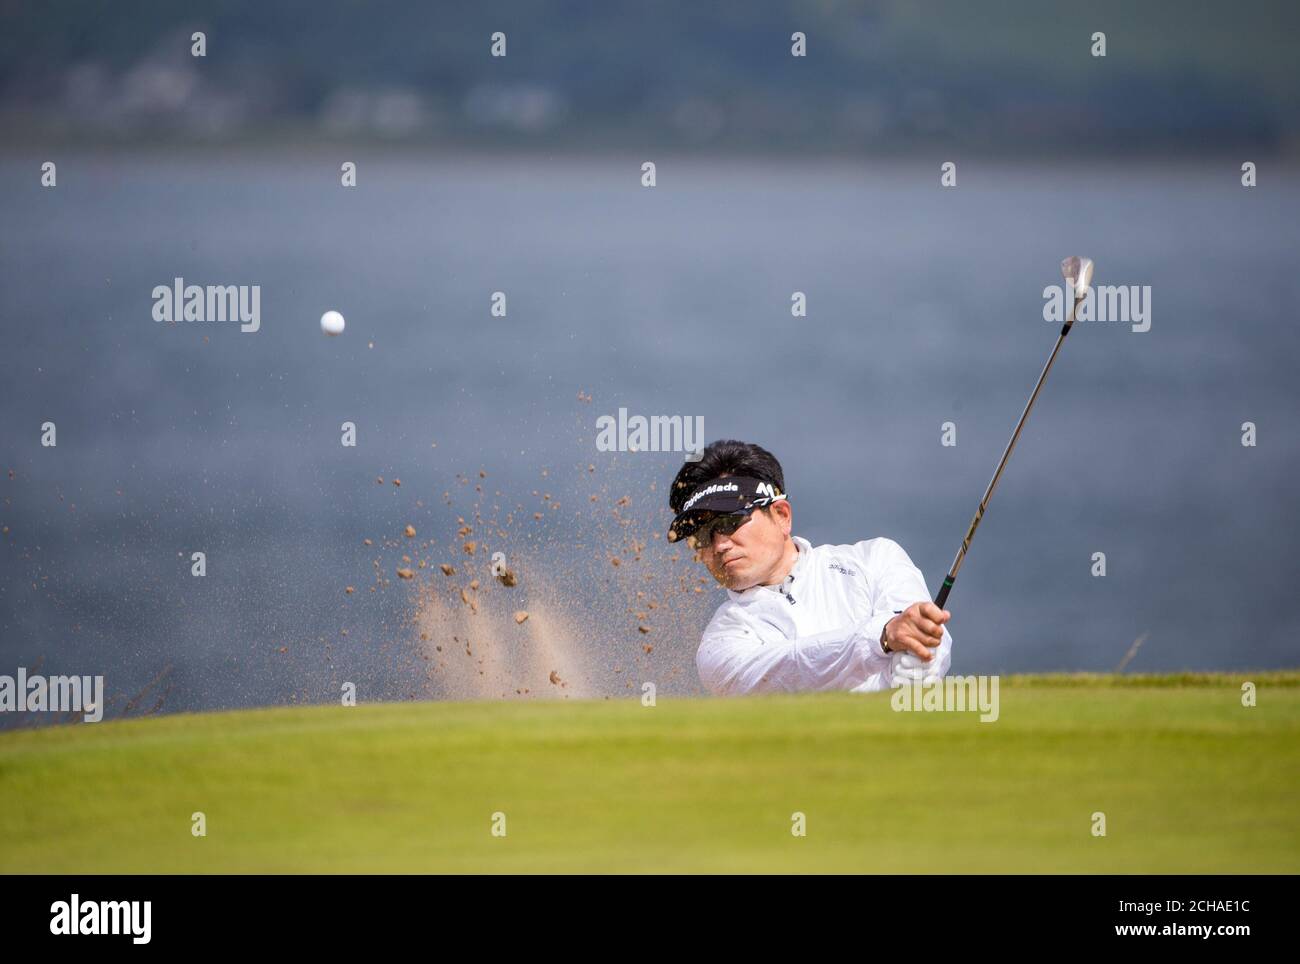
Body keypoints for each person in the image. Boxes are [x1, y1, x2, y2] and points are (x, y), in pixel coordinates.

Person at [667, 439, 953, 695]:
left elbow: (928, 647)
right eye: (702, 536)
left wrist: (916, 662)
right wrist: (882, 637)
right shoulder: (720, 642)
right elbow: (794, 669)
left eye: (729, 522)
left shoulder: (876, 559)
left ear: (781, 515)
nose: (719, 545)